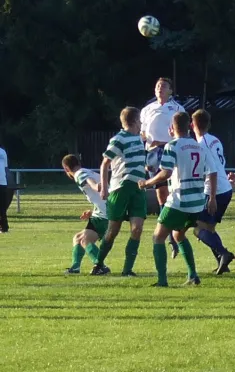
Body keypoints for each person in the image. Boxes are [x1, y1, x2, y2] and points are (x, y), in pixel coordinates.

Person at [139, 111, 218, 287]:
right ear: (189, 126)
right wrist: (212, 198)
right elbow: (212, 172)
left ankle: (162, 280)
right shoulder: (200, 146)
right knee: (178, 234)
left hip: (179, 200)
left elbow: (165, 173)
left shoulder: (172, 146)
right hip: (197, 201)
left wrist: (146, 183)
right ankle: (193, 275)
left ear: (171, 128)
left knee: (158, 237)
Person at [93, 106, 147, 276]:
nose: (141, 123)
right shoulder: (119, 139)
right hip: (120, 188)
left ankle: (127, 269)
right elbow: (105, 163)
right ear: (134, 121)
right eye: (140, 119)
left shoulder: (139, 138)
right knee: (112, 230)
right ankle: (98, 263)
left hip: (138, 188)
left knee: (137, 228)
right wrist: (104, 187)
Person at [140, 77, 185, 259]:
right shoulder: (147, 109)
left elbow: (181, 133)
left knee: (172, 190)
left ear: (170, 91)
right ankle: (171, 237)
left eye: (164, 86)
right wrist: (146, 142)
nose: (160, 88)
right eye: (157, 86)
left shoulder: (177, 109)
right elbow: (142, 131)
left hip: (169, 150)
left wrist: (165, 142)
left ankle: (177, 232)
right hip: (152, 153)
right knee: (161, 193)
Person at [191, 110, 234, 274]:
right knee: (209, 229)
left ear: (192, 125)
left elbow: (212, 171)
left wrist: (212, 197)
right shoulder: (215, 140)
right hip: (225, 189)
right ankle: (223, 263)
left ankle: (224, 254)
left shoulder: (201, 145)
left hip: (214, 190)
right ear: (209, 124)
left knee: (197, 229)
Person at [62, 154, 110, 275]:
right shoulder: (87, 170)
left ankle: (100, 266)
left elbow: (89, 181)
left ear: (66, 169)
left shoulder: (79, 174)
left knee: (85, 240)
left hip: (104, 214)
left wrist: (95, 186)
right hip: (101, 212)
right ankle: (75, 267)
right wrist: (91, 211)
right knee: (78, 238)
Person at [0, 145, 9, 233]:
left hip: (3, 182)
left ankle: (4, 227)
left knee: (3, 207)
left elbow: (5, 167)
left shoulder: (3, 152)